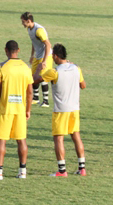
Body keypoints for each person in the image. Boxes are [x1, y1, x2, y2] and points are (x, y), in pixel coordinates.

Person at [35, 43, 87, 176]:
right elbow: (83, 85)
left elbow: (35, 81)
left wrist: (39, 69)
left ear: (56, 56)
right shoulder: (76, 68)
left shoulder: (54, 72)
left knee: (58, 139)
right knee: (76, 136)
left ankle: (62, 170)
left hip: (60, 110)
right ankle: (82, 168)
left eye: (53, 56)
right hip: (74, 109)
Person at [0, 40, 33, 180]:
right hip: (20, 109)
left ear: (6, 50)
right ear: (18, 50)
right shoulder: (26, 68)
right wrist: (28, 109)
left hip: (5, 109)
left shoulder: (1, 67)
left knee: (1, 140)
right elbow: (30, 92)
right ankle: (22, 171)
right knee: (21, 140)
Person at [20, 12, 52, 107]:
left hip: (46, 56)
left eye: (23, 21)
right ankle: (35, 98)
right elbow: (34, 42)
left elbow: (48, 45)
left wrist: (44, 61)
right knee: (33, 77)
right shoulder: (29, 29)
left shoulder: (39, 31)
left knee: (42, 78)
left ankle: (46, 101)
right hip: (37, 56)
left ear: (29, 21)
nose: (22, 24)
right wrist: (32, 55)